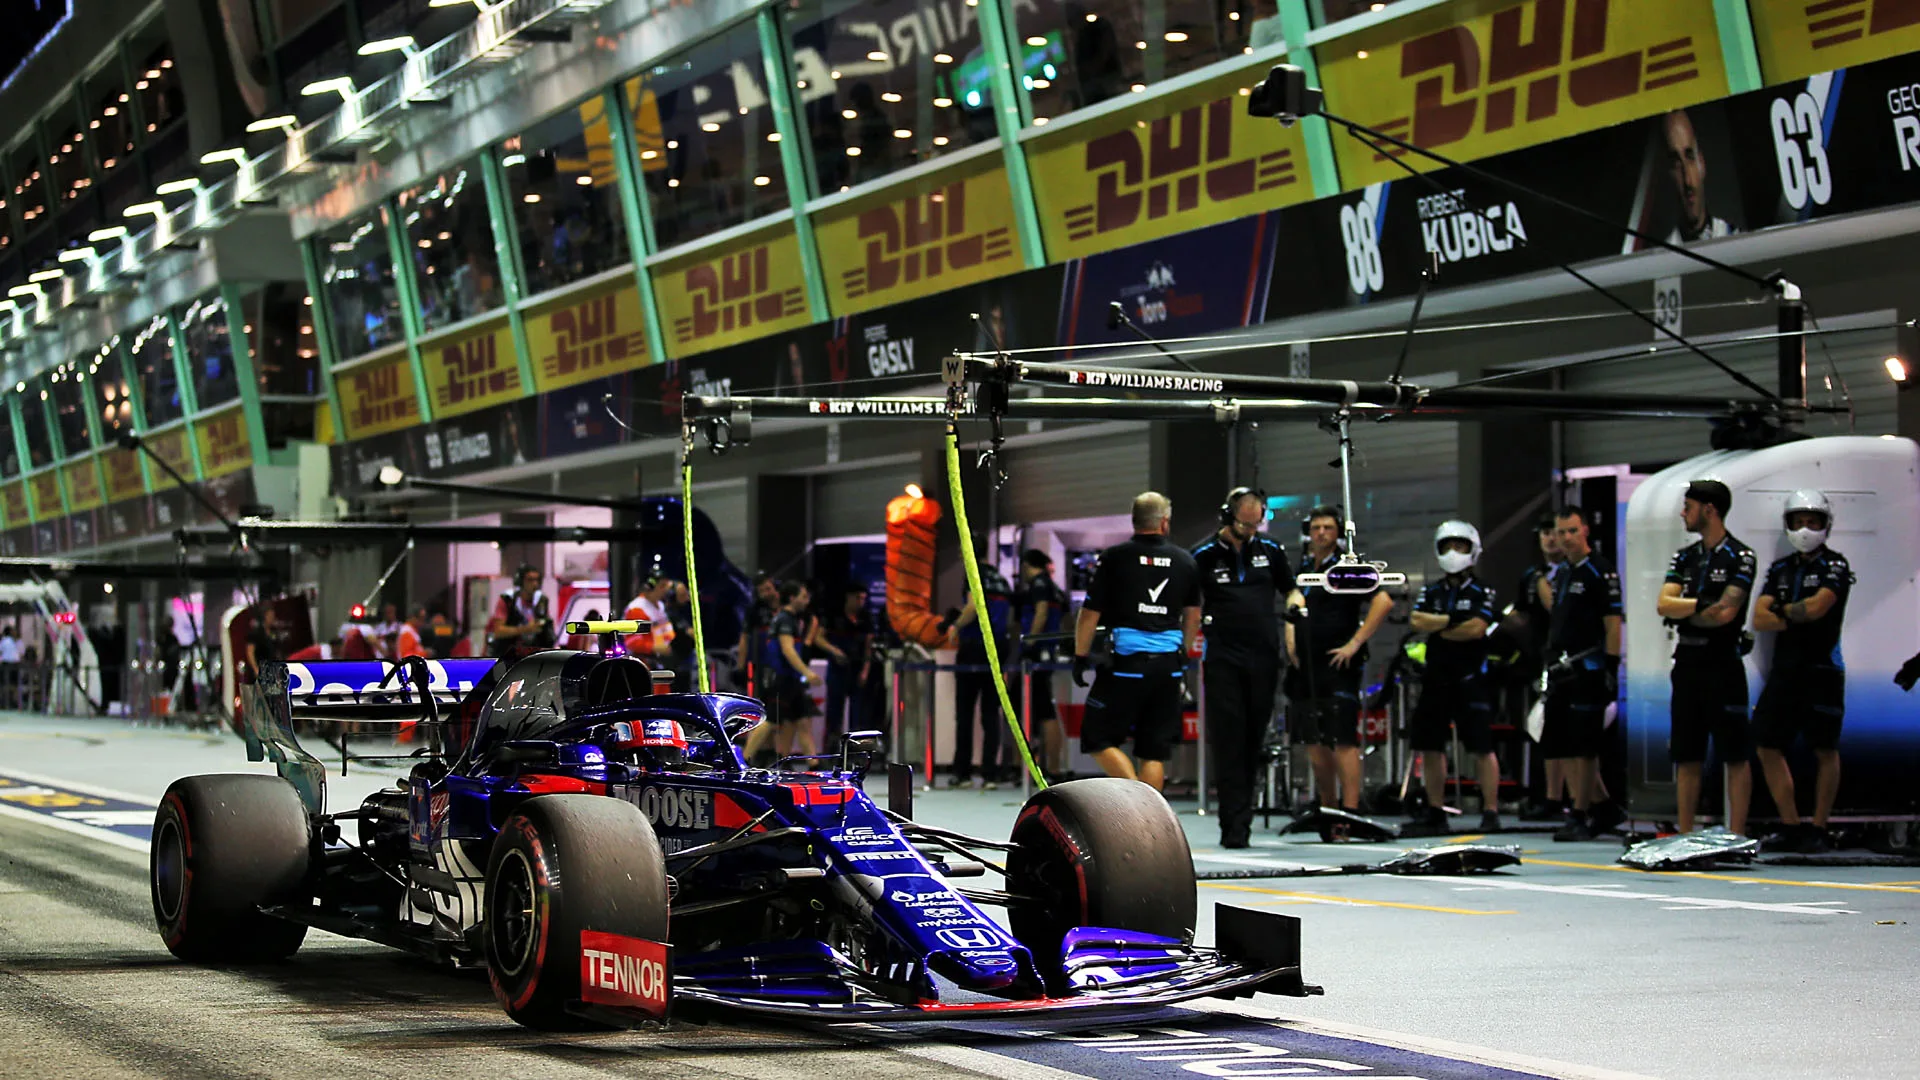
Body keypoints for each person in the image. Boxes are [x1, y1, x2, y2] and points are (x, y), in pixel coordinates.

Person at [1072, 492, 1201, 792]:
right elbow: (1193, 617)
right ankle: (1152, 821)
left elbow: (1089, 613)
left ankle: (1136, 800)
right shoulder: (1185, 561)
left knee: (1096, 738)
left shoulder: (1115, 558)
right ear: (1164, 522)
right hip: (1169, 666)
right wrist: (1183, 653)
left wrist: (1081, 656)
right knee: (1153, 751)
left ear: (1134, 520)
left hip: (1126, 666)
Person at [1191, 487, 1297, 848]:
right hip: (1223, 657)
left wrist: (1297, 609)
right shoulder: (1203, 556)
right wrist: (1188, 642)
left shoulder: (1272, 551)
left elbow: (1291, 589)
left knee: (1253, 739)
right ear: (1227, 517)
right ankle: (1232, 826)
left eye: (1257, 524)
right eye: (1243, 524)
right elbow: (1190, 604)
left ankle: (1244, 820)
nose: (1250, 531)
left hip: (1264, 655)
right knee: (1229, 740)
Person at [1655, 479, 1757, 836]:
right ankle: (1684, 835)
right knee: (1687, 753)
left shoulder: (1741, 556)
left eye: (1688, 506)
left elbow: (1726, 614)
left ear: (1709, 510)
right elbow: (1663, 603)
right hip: (1687, 664)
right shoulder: (1684, 556)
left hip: (1723, 664)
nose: (1684, 513)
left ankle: (1737, 835)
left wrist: (1687, 611)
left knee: (1736, 754)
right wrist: (1700, 606)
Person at [1753, 490, 1853, 852]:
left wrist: (1783, 610)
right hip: (1785, 670)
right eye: (1799, 521)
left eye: (1813, 521)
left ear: (1825, 524)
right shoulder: (1780, 569)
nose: (1805, 528)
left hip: (1823, 669)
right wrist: (1791, 611)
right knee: (1766, 744)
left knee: (1824, 748)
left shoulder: (1835, 566)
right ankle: (1791, 824)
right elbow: (1759, 618)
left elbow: (1817, 608)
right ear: (1789, 524)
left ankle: (1820, 827)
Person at [1288, 505, 1393, 816]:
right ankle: (1327, 807)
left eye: (1328, 528)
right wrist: (1290, 641)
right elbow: (1292, 606)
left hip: (1339, 666)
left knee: (1342, 740)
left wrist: (1354, 643)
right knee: (1314, 742)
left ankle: (1350, 811)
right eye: (1316, 527)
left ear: (1337, 533)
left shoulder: (1346, 568)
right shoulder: (1304, 567)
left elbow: (1383, 601)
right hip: (1306, 666)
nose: (1321, 533)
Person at [1406, 521, 1501, 835]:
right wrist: (1452, 621)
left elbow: (1476, 629)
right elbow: (1417, 619)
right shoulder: (1431, 590)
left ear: (1472, 549)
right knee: (1431, 746)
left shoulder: (1483, 589)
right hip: (1436, 677)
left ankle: (1490, 810)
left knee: (1481, 747)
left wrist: (1440, 626)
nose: (1453, 552)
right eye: (1447, 546)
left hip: (1471, 677)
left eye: (1459, 546)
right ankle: (1436, 809)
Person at [1538, 506, 1624, 841]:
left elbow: (1612, 622)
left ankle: (1580, 811)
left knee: (1584, 747)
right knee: (1561, 743)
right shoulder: (1561, 573)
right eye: (1561, 533)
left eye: (1572, 531)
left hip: (1589, 667)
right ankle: (1601, 807)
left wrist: (1612, 666)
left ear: (1585, 530)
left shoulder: (1600, 571)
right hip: (1561, 668)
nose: (1566, 538)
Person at [948, 548, 1016, 789]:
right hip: (998, 646)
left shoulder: (973, 573)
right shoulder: (1001, 579)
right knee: (990, 715)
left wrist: (955, 626)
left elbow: (974, 605)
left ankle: (962, 773)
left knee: (965, 713)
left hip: (974, 647)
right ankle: (990, 774)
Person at [1014, 549, 1071, 782]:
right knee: (1045, 710)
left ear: (1027, 565)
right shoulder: (1056, 588)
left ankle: (1030, 769)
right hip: (1050, 653)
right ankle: (1051, 766)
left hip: (1036, 655)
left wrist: (1031, 642)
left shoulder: (1038, 585)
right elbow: (1066, 619)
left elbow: (1041, 612)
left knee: (1032, 712)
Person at [766, 581, 821, 759]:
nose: (807, 601)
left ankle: (810, 764)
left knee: (801, 722)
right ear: (792, 598)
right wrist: (808, 673)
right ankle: (741, 759)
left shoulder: (793, 620)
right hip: (783, 679)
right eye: (803, 597)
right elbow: (787, 650)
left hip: (792, 679)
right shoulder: (785, 619)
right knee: (770, 722)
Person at [1663, 110, 1735, 244]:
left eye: (1690, 157)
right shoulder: (1663, 258)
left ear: (1701, 163)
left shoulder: (1735, 237)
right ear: (1669, 174)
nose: (1687, 181)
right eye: (1676, 163)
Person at [819, 586, 873, 744]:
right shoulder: (834, 615)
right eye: (858, 598)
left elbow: (869, 647)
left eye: (863, 598)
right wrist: (834, 650)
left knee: (858, 713)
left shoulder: (866, 618)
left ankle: (855, 749)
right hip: (837, 668)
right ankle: (832, 747)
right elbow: (818, 638)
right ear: (849, 597)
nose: (860, 602)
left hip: (857, 669)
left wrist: (865, 671)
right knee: (834, 712)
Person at [487, 564, 556, 657]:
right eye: (530, 580)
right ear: (521, 582)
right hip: (508, 654)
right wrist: (525, 629)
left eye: (537, 580)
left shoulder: (542, 601)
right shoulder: (508, 600)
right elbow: (498, 631)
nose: (535, 584)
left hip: (533, 655)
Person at [737, 572, 779, 696]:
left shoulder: (788, 605)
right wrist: (740, 667)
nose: (767, 594)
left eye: (768, 589)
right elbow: (744, 637)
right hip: (762, 663)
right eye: (762, 591)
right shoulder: (754, 610)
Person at [623, 575, 677, 660]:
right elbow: (631, 641)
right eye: (662, 586)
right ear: (649, 588)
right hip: (645, 659)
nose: (665, 590)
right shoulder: (637, 609)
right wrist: (654, 647)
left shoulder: (660, 605)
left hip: (664, 656)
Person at [245, 607, 284, 677]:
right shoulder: (256, 633)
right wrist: (255, 669)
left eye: (273, 616)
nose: (272, 618)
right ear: (265, 617)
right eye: (270, 616)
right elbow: (250, 652)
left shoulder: (273, 632)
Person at [0, 625, 18, 708]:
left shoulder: (12, 641)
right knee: (7, 684)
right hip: (8, 664)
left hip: (11, 664)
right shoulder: (6, 641)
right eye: (12, 631)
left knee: (10, 684)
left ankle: (9, 701)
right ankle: (6, 701)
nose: (14, 632)